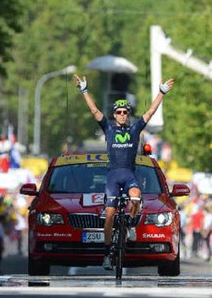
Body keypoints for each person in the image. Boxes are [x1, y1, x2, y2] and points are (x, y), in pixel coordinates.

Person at [74, 73, 174, 270]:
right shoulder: (109, 130)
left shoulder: (135, 129)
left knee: (136, 198)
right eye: (118, 112)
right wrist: (85, 91)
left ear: (128, 114)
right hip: (113, 176)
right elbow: (94, 111)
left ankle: (131, 224)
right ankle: (106, 254)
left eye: (125, 112)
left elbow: (151, 112)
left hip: (129, 174)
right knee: (109, 215)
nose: (121, 115)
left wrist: (161, 93)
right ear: (114, 115)